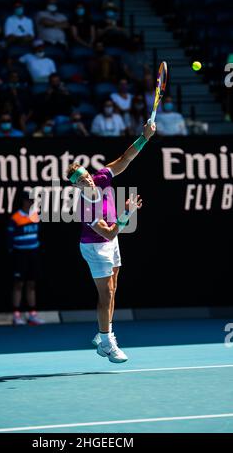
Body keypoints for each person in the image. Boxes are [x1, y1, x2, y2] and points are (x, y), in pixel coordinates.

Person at [66, 122, 156, 362]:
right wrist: (127, 215)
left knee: (112, 289)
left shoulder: (101, 177)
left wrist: (144, 137)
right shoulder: (84, 208)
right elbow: (109, 234)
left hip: (110, 244)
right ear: (75, 186)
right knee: (105, 295)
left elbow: (125, 158)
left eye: (87, 176)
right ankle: (106, 343)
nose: (89, 182)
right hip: (95, 248)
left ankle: (103, 332)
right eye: (82, 181)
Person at [8, 191, 45, 325]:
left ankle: (32, 315)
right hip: (20, 255)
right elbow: (10, 240)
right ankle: (16, 315)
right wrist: (14, 252)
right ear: (24, 201)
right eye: (29, 200)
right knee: (19, 284)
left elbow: (37, 234)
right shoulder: (15, 218)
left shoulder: (35, 216)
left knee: (31, 284)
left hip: (33, 254)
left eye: (32, 201)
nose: (31, 203)